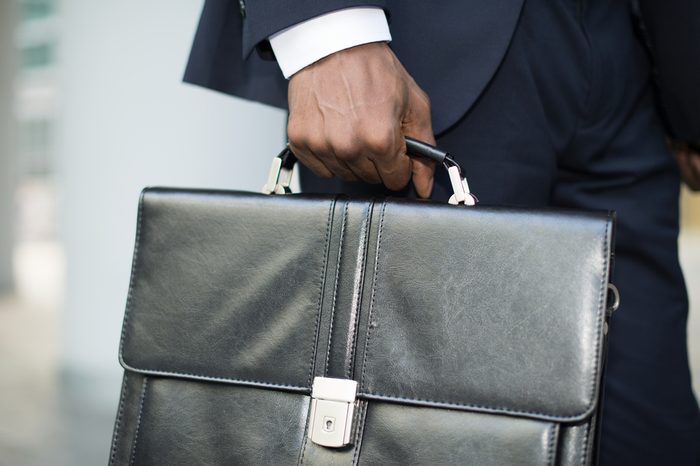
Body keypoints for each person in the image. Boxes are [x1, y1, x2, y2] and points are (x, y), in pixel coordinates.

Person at [183, 1, 700, 464]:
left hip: (632, 65)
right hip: (415, 61)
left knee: (644, 422)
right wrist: (324, 27)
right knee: (415, 431)